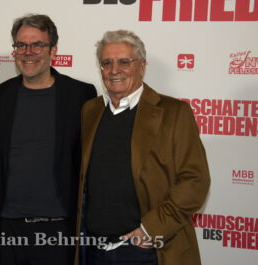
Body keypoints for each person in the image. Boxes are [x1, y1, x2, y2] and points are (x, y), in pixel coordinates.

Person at [74, 30, 211, 265]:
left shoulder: (174, 112)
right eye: (107, 63)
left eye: (124, 62)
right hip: (94, 249)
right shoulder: (91, 110)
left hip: (147, 250)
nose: (114, 70)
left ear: (142, 66)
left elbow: (196, 180)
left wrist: (150, 230)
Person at [0, 14, 97, 265]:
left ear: (53, 50)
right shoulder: (0, 95)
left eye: (37, 44)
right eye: (21, 45)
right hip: (8, 228)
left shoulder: (81, 94)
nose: (29, 52)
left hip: (59, 229)